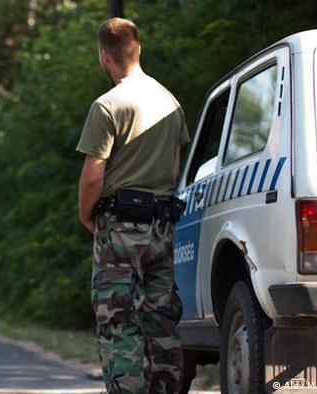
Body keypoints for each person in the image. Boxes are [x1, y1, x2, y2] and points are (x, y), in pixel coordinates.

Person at [76, 18, 189, 393]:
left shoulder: (108, 105)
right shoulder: (170, 102)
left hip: (120, 228)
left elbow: (94, 175)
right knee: (161, 319)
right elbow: (173, 168)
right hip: (161, 225)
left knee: (119, 320)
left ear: (104, 56)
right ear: (137, 50)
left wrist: (85, 214)